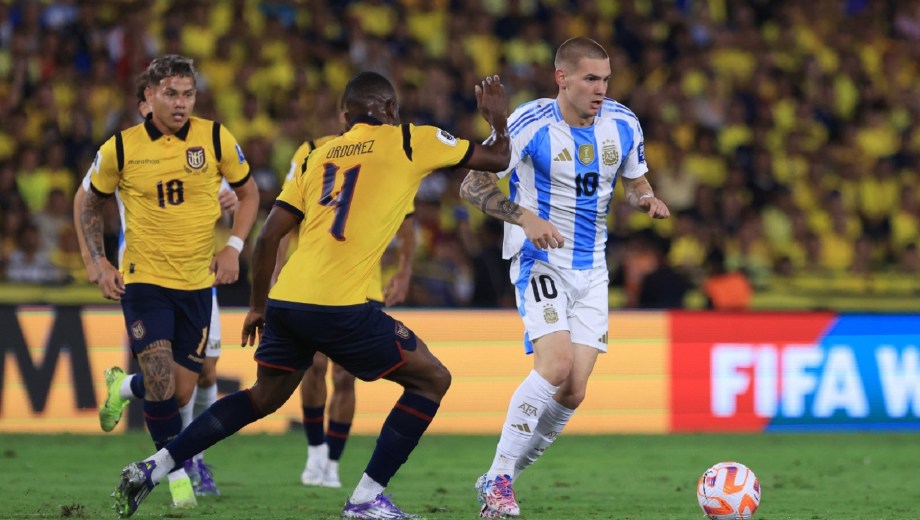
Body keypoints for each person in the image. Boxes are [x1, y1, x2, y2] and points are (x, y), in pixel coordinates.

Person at [110, 70, 510, 520]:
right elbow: (496, 158)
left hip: (287, 300)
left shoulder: (316, 155)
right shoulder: (408, 140)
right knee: (432, 379)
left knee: (263, 397)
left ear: (346, 115)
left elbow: (268, 237)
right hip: (339, 306)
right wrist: (498, 121)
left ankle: (154, 465)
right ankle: (364, 499)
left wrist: (259, 305)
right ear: (392, 111)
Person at [459, 37, 670, 518]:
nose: (601, 89)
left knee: (573, 390)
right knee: (552, 367)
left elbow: (634, 178)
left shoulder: (623, 123)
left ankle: (502, 476)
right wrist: (523, 217)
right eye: (591, 79)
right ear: (563, 78)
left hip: (592, 269)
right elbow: (472, 185)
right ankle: (499, 481)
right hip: (540, 261)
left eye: (606, 79)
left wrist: (644, 199)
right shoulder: (530, 124)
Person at [79, 55, 258, 512]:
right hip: (145, 280)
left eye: (188, 94)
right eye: (171, 94)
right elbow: (88, 203)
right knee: (160, 381)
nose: (181, 103)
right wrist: (98, 262)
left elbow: (250, 192)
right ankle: (176, 480)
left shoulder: (215, 137)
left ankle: (122, 387)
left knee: (179, 391)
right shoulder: (120, 148)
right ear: (148, 99)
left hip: (198, 283)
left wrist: (234, 246)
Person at [276, 136, 417, 489]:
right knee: (315, 367)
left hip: (364, 284)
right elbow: (284, 217)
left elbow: (407, 220)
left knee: (344, 376)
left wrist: (403, 270)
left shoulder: (390, 152)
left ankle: (333, 461)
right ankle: (315, 451)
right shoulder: (309, 149)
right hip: (319, 280)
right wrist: (278, 271)